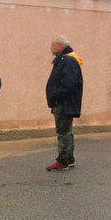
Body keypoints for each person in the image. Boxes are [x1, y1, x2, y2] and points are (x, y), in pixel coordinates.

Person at [45, 35, 84, 171]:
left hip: (63, 103)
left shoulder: (67, 60)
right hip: (64, 102)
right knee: (67, 131)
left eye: (53, 45)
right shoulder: (65, 59)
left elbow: (68, 83)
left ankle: (62, 161)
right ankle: (69, 158)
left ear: (60, 46)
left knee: (63, 132)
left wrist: (55, 95)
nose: (51, 48)